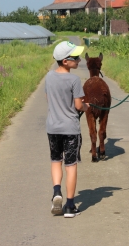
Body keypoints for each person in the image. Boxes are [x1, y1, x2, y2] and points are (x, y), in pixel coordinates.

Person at [45, 41, 89, 218]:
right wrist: (86, 107)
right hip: (70, 129)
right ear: (65, 61)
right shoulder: (74, 80)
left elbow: (50, 100)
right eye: (75, 58)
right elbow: (78, 106)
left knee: (56, 160)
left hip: (53, 127)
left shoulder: (48, 77)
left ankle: (57, 192)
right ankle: (70, 206)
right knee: (71, 166)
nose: (79, 60)